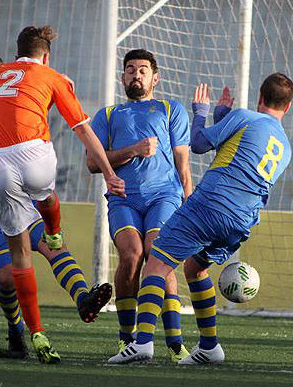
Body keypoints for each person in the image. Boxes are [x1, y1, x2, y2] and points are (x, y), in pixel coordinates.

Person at [0, 47, 110, 363]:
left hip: (23, 194)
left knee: (53, 247)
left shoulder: (14, 100)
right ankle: (17, 330)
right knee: (5, 277)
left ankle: (84, 299)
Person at [108, 73, 293, 365]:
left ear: (260, 97)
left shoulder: (247, 117)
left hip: (211, 204)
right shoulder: (285, 147)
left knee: (156, 263)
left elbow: (198, 144)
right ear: (289, 106)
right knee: (195, 268)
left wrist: (201, 113)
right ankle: (209, 347)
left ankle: (141, 343)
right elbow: (234, 152)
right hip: (242, 219)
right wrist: (222, 115)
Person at [0, 26, 125, 364]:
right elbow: (82, 129)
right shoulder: (51, 76)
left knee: (20, 257)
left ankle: (37, 333)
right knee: (45, 195)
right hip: (33, 155)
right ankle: (55, 230)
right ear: (46, 55)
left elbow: (13, 88)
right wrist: (109, 173)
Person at [88, 49, 192, 363]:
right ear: (122, 77)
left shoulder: (171, 109)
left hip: (165, 197)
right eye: (130, 69)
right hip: (124, 200)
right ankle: (127, 340)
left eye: (143, 70)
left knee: (158, 255)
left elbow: (183, 165)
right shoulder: (107, 115)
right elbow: (94, 162)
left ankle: (175, 344)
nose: (136, 74)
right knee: (132, 256)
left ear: (155, 78)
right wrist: (133, 149)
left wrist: (190, 205)